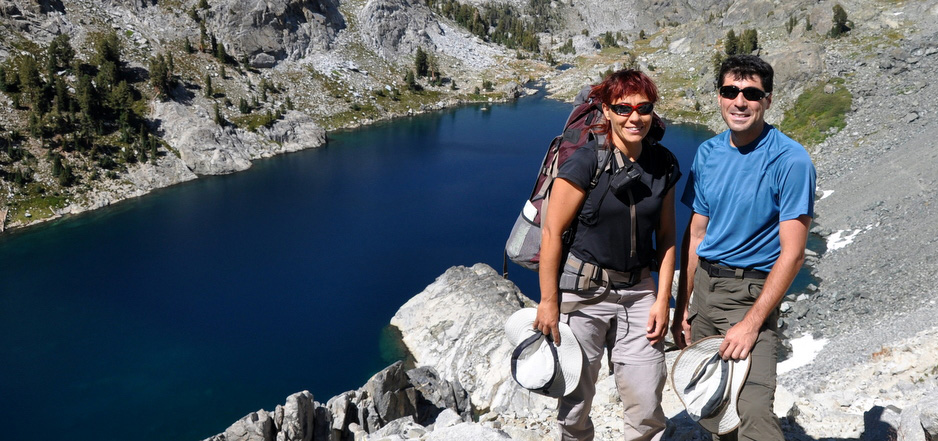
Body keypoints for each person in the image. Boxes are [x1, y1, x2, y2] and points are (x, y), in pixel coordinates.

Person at [671, 54, 816, 440]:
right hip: (705, 290)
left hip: (749, 294)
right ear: (718, 97)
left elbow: (794, 253)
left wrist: (752, 324)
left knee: (752, 409)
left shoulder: (791, 160)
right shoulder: (708, 153)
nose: (740, 101)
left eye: (751, 93)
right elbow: (696, 236)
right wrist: (681, 307)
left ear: (767, 100)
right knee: (714, 401)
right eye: (730, 91)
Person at [533, 69, 681, 441]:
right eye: (623, 108)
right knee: (575, 402)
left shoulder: (662, 164)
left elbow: (666, 237)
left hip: (638, 292)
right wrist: (549, 302)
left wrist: (663, 299)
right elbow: (551, 233)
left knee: (647, 400)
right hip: (583, 293)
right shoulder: (585, 162)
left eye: (643, 108)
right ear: (606, 110)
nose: (635, 117)